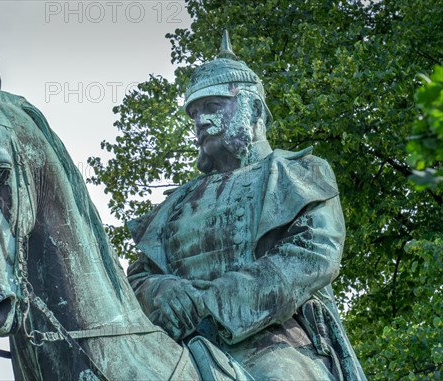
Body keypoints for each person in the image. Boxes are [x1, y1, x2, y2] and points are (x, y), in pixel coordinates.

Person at [127, 31, 366, 380]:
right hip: (173, 344)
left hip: (275, 342)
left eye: (212, 106)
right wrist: (163, 292)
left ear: (252, 107)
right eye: (194, 113)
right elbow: (138, 276)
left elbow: (313, 255)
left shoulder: (297, 173)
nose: (200, 121)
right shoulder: (175, 203)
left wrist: (211, 303)